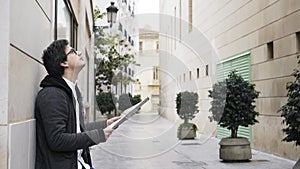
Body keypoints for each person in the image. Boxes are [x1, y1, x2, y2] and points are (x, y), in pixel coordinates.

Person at [35, 39, 119, 169]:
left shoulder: (70, 91)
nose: (79, 53)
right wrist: (98, 135)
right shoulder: (52, 95)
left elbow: (76, 129)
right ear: (63, 62)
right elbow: (57, 140)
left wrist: (104, 124)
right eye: (73, 51)